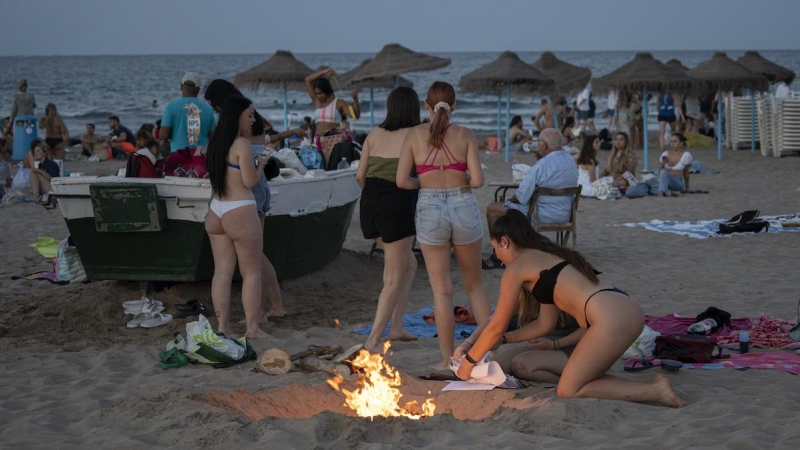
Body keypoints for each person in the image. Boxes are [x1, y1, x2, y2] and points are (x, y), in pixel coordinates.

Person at [455, 210, 686, 407]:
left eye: (495, 248)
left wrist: (468, 364)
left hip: (610, 317)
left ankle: (656, 391)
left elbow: (495, 325)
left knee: (568, 390)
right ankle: (651, 387)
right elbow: (545, 324)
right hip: (622, 307)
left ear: (504, 241)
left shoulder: (517, 267)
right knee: (578, 379)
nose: (497, 256)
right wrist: (506, 339)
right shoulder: (546, 258)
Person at [396, 81, 491, 368]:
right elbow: (477, 181)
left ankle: (446, 359)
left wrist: (425, 183)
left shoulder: (414, 135)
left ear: (427, 105)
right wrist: (455, 180)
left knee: (441, 290)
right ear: (454, 106)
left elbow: (401, 181)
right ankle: (486, 354)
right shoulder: (465, 134)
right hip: (463, 204)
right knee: (474, 286)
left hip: (429, 206)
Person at [204, 78, 286, 320]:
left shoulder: (219, 138)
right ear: (240, 115)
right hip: (243, 200)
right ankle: (258, 319)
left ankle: (225, 326)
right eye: (249, 116)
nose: (253, 120)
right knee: (252, 265)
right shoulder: (243, 137)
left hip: (218, 206)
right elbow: (250, 180)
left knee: (224, 271)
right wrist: (261, 163)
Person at [356, 86, 421, 353]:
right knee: (392, 278)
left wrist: (377, 198)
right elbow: (417, 175)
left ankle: (396, 326)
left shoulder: (374, 133)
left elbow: (359, 176)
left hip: (370, 202)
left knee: (410, 264)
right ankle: (373, 338)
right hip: (396, 204)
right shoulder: (416, 134)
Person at [483, 128, 578, 269]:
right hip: (565, 215)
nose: (537, 144)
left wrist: (509, 202)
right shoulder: (571, 162)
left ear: (544, 145)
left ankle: (498, 255)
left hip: (540, 215)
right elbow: (552, 171)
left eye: (539, 142)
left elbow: (521, 197)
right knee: (507, 207)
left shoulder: (541, 165)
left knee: (493, 209)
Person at [456, 294, 584, 383]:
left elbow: (590, 328)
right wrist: (468, 343)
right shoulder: (523, 289)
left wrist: (555, 344)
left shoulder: (559, 289)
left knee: (521, 365)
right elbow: (495, 320)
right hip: (545, 345)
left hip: (578, 348)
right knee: (495, 367)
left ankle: (570, 384)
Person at [161, 72, 216, 153]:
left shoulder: (171, 107)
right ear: (198, 89)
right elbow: (212, 136)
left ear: (181, 87)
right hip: (201, 157)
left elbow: (163, 135)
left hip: (179, 157)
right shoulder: (209, 109)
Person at [304, 68, 361, 136]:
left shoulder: (339, 103)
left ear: (327, 91)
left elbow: (355, 116)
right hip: (318, 141)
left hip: (333, 140)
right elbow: (307, 80)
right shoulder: (318, 102)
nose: (318, 96)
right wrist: (324, 71)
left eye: (321, 93)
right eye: (316, 94)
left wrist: (355, 99)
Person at [25, 140, 60, 206]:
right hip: (47, 190)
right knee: (21, 192)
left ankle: (36, 197)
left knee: (33, 173)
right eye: (34, 152)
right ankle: (34, 196)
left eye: (38, 151)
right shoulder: (40, 165)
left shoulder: (51, 164)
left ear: (44, 153)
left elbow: (53, 179)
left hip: (55, 189)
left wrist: (38, 171)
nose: (35, 154)